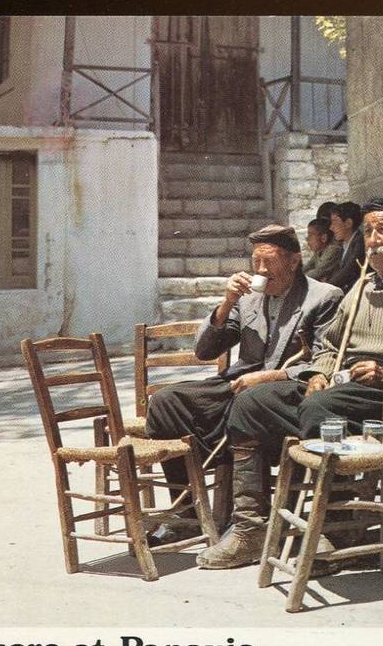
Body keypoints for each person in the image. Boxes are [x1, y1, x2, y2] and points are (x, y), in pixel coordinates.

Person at [195, 198, 383, 569]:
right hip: (345, 390)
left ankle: (337, 528)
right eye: (367, 231)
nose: (372, 240)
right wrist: (319, 373)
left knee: (320, 408)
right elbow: (330, 346)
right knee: (252, 403)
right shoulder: (361, 288)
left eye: (382, 230)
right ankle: (250, 528)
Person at [143, 224, 343, 544]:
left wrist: (271, 376)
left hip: (284, 390)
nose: (261, 270)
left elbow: (324, 362)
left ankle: (250, 519)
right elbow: (205, 351)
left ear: (293, 261)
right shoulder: (248, 297)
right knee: (167, 402)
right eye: (255, 262)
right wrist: (226, 303)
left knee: (251, 402)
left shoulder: (324, 297)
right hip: (241, 383)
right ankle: (188, 513)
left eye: (270, 262)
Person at [325, 201, 365, 293]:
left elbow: (347, 272)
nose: (331, 227)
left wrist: (325, 289)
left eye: (335, 222)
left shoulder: (359, 243)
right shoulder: (344, 244)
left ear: (348, 223)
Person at [301, 217, 342, 282]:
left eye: (310, 235)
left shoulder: (333, 250)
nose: (307, 239)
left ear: (323, 238)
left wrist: (298, 279)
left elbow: (318, 272)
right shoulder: (318, 251)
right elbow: (308, 266)